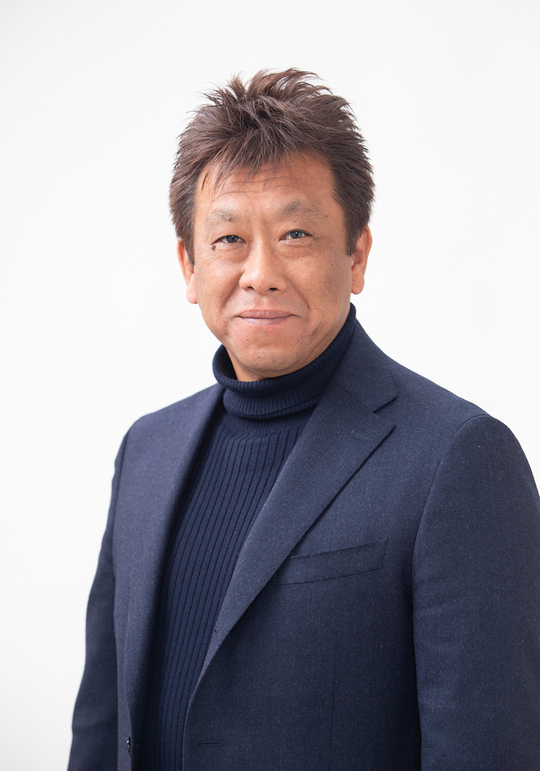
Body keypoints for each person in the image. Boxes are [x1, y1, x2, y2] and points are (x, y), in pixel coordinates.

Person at [68, 69, 540, 771]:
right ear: (189, 264)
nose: (260, 272)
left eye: (295, 233)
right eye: (229, 238)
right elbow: (103, 728)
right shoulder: (147, 450)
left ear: (356, 255)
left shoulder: (458, 458)